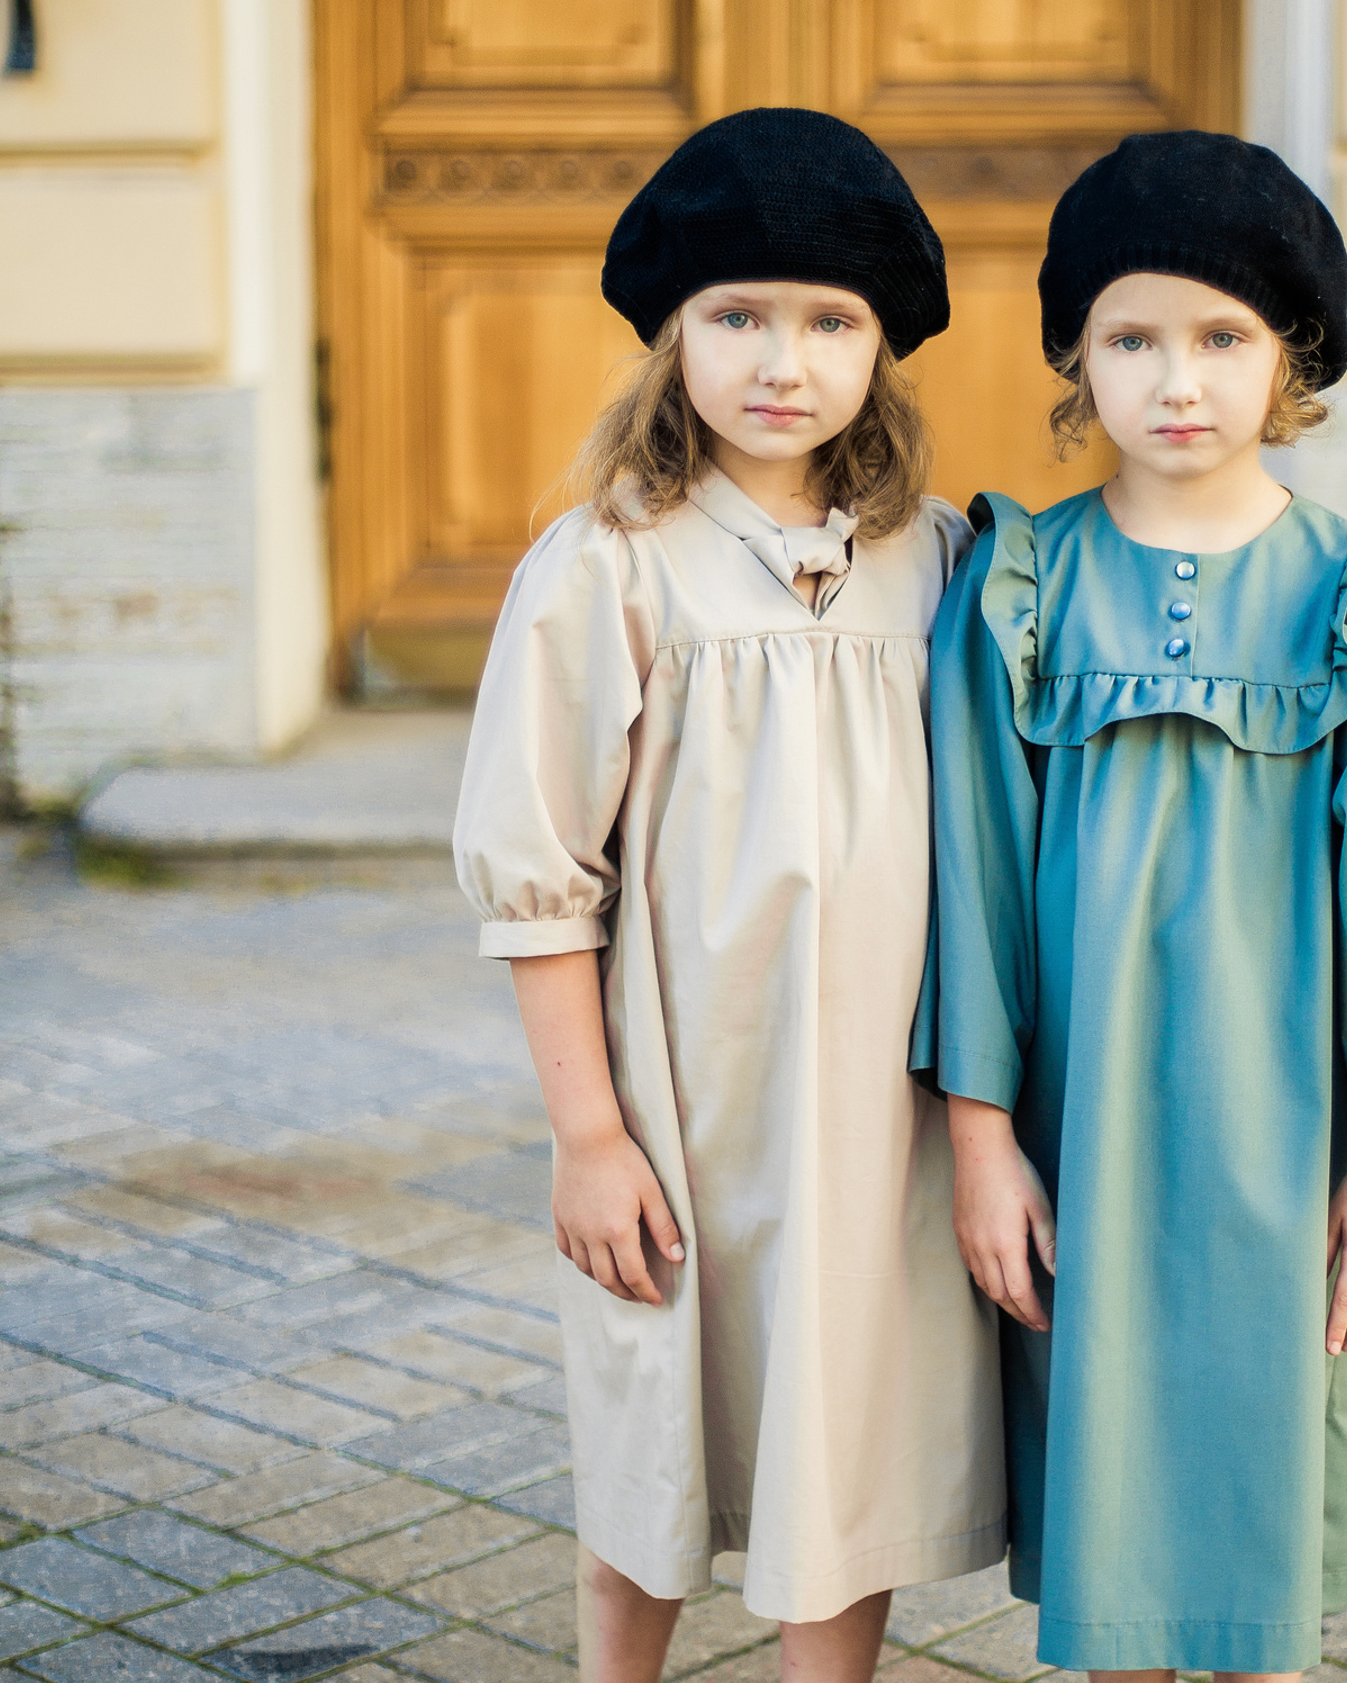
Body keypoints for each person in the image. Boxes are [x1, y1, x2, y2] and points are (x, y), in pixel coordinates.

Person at [915, 131, 1347, 1682]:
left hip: (1279, 1126)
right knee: (1114, 1506)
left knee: (1256, 1481)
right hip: (1078, 1127)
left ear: (1289, 358)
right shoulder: (1020, 590)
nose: (1180, 380)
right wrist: (981, 1147)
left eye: (1223, 338)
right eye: (1133, 339)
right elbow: (969, 883)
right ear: (1077, 362)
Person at [454, 108, 1003, 1683]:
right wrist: (587, 1137)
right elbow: (540, 872)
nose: (785, 359)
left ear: (882, 348)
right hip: (688, 1101)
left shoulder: (938, 559)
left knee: (849, 1438)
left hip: (881, 1104)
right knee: (655, 1432)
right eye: (738, 316)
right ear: (671, 339)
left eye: (832, 321)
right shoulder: (611, 567)